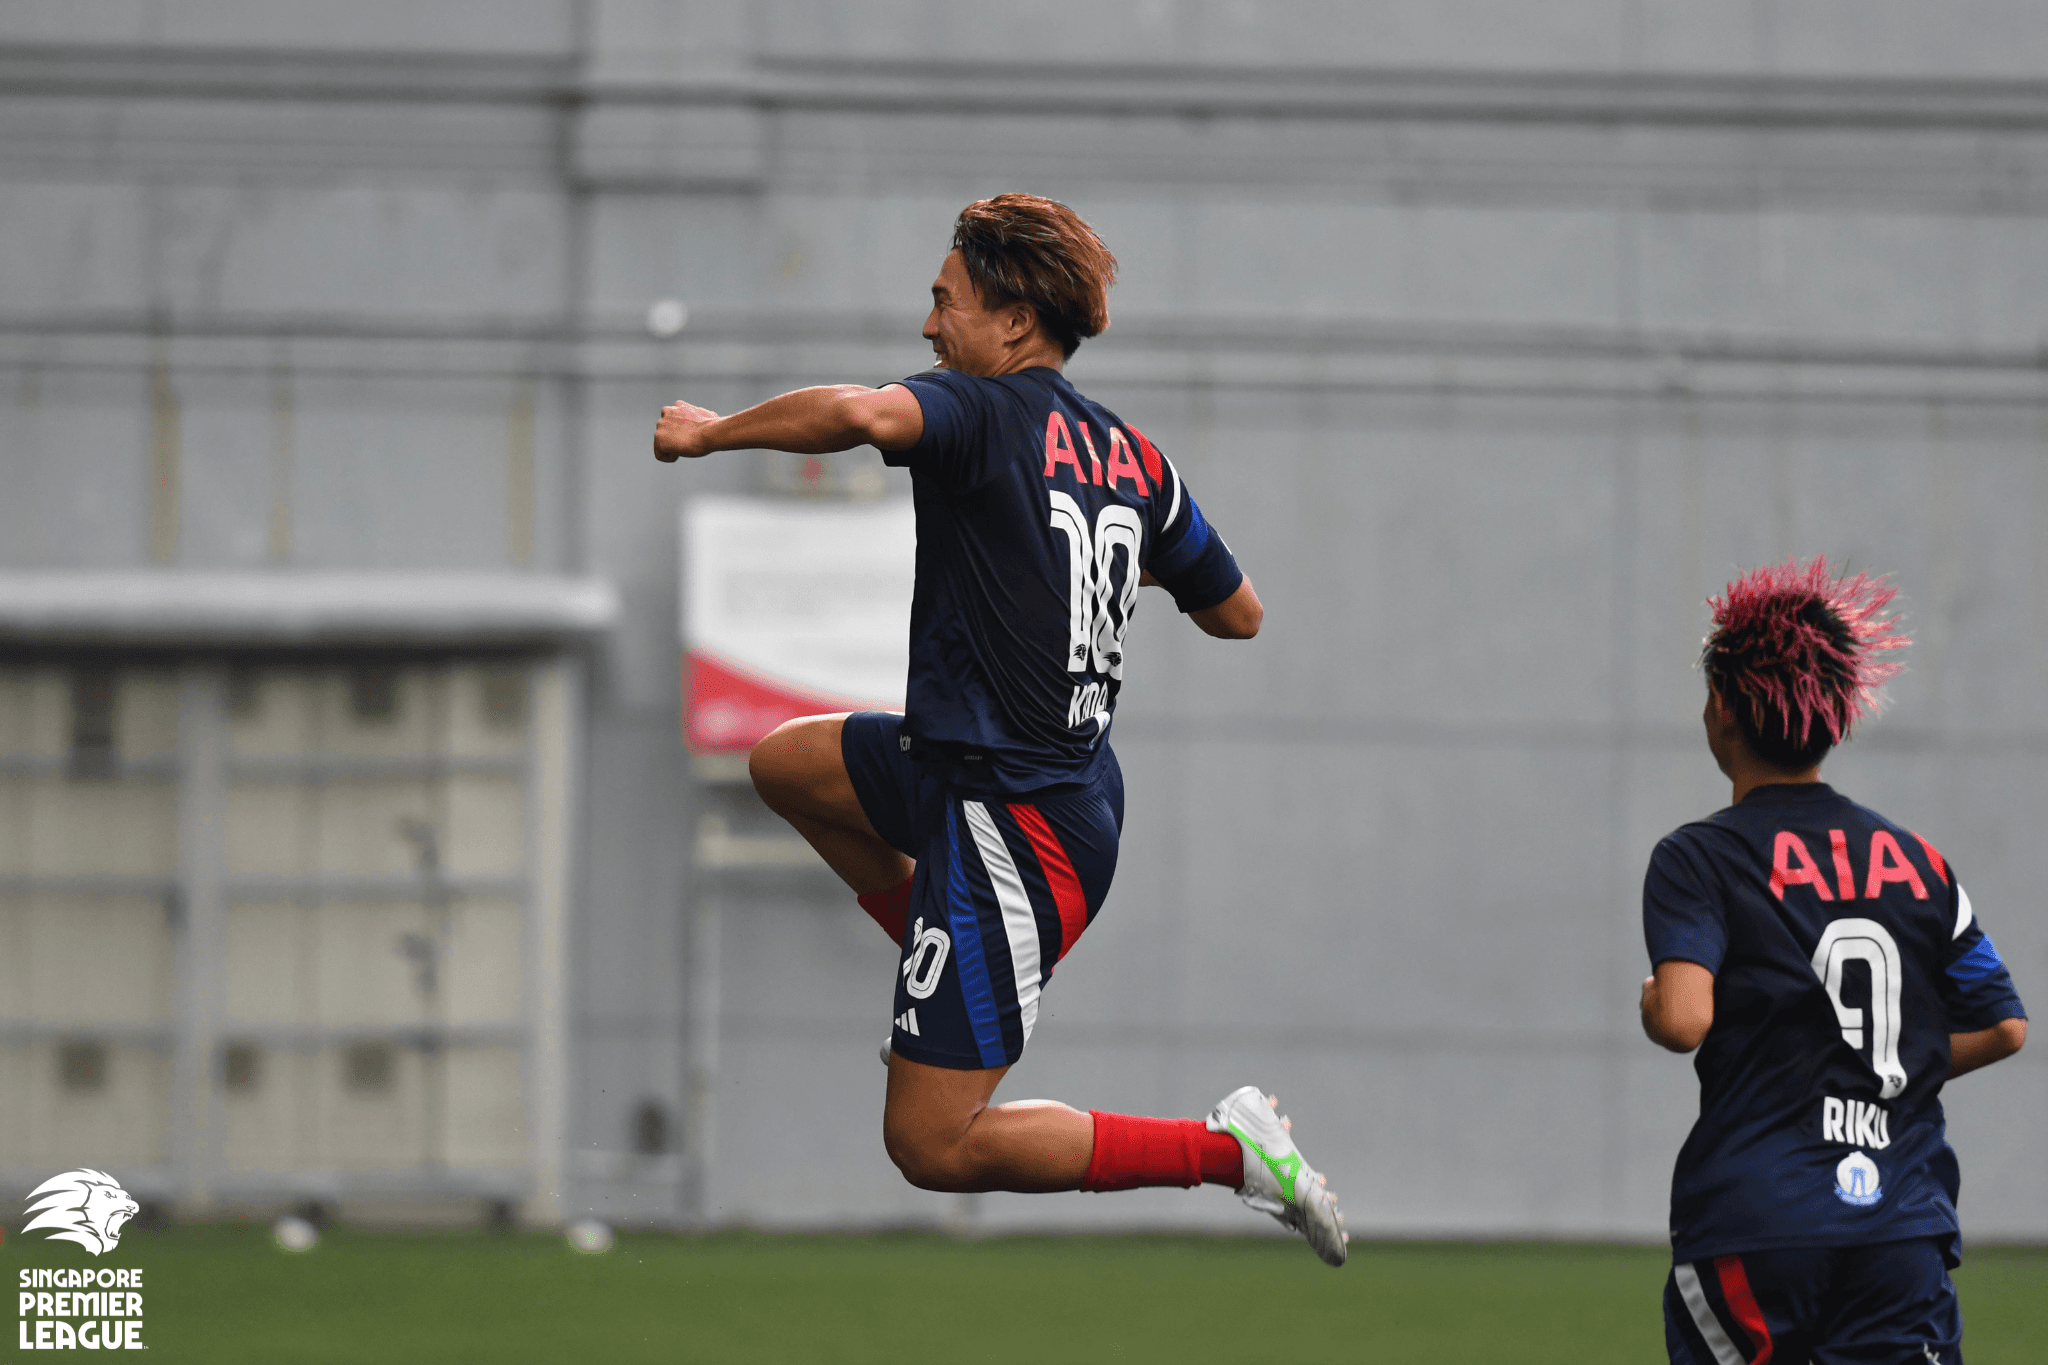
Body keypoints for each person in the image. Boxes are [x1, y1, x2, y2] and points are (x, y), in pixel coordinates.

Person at [652, 193, 1346, 1265]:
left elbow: (859, 414)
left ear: (1013, 323)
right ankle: (955, 967)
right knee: (785, 763)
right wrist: (1119, 549)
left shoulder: (976, 412)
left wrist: (709, 434)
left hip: (1022, 825)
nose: (928, 328)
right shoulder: (1132, 459)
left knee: (929, 1144)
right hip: (971, 776)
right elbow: (1239, 614)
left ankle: (1232, 1152)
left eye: (944, 302)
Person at [1640, 557, 2027, 1363]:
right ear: (1838, 718)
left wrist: (1654, 1005)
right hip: (1900, 1224)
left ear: (1720, 712)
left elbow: (1683, 1020)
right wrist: (1877, 1064)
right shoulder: (1919, 860)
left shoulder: (1698, 857)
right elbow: (2005, 1026)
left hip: (1757, 1222)